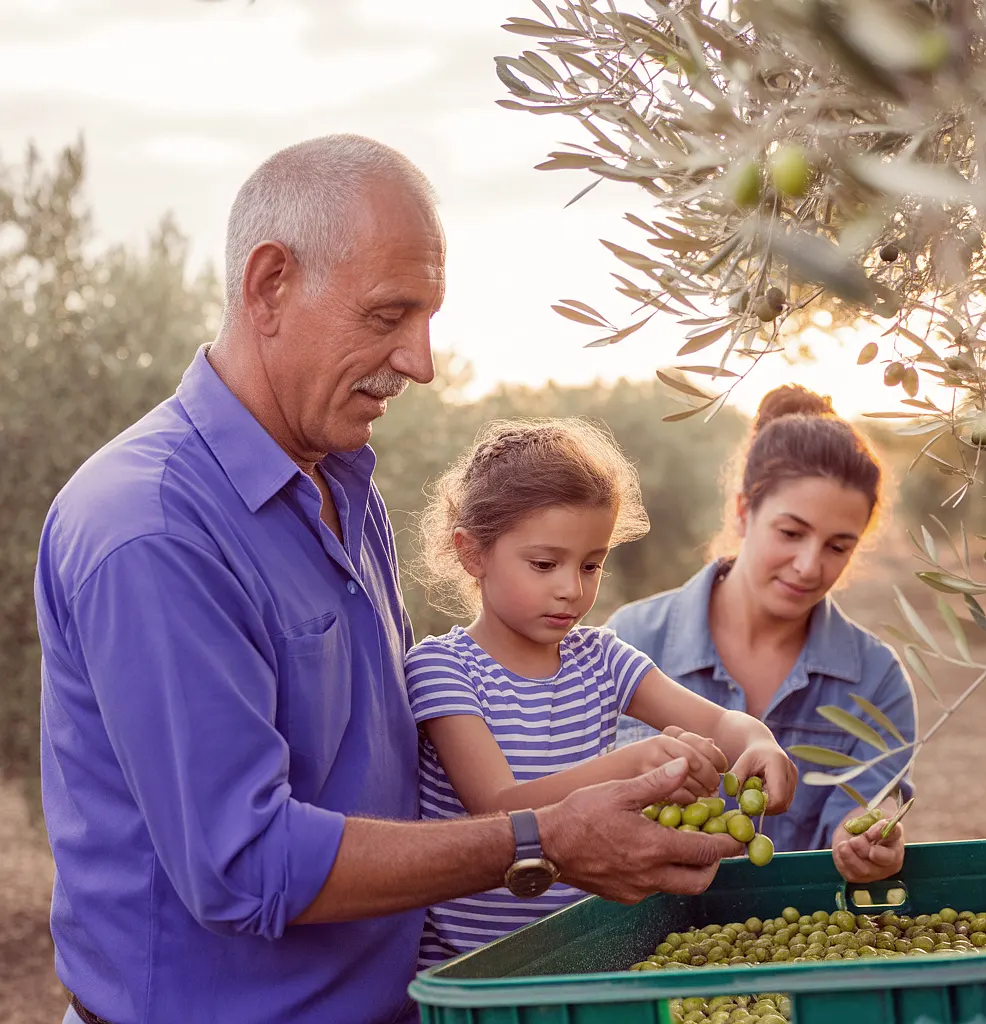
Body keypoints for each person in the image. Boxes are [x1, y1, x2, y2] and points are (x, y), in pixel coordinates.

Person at [36, 134, 747, 1024]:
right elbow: (244, 864)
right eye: (387, 316)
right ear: (269, 287)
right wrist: (544, 840)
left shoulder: (343, 482)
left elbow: (389, 768)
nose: (422, 362)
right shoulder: (151, 527)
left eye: (428, 319)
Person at [405, 417, 799, 965]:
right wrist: (631, 765)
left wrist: (758, 742)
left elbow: (719, 724)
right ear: (473, 553)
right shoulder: (444, 670)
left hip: (587, 954)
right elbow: (498, 809)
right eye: (545, 564)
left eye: (592, 565)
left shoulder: (603, 660)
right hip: (475, 969)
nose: (572, 589)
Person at [611, 385, 919, 886]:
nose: (808, 566)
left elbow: (861, 813)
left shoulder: (876, 681)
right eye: (791, 533)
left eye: (838, 546)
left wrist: (867, 844)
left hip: (797, 946)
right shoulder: (630, 640)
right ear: (742, 511)